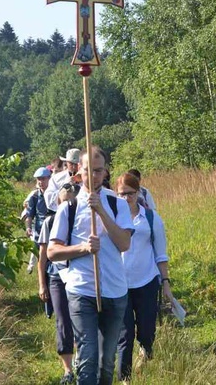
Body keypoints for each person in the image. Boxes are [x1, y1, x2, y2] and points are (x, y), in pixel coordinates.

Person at [48, 146, 134, 385]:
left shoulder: (118, 205)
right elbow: (53, 252)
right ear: (79, 172)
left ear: (105, 172)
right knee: (88, 359)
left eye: (98, 171)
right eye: (88, 170)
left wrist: (102, 212)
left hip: (115, 292)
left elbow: (124, 243)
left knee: (106, 364)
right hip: (81, 290)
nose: (93, 175)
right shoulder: (69, 207)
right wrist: (83, 249)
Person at [114, 172, 172, 382]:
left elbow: (161, 252)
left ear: (138, 193)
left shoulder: (151, 218)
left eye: (129, 194)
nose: (125, 199)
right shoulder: (111, 219)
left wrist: (165, 283)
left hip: (147, 281)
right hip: (119, 285)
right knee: (125, 335)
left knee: (147, 330)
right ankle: (124, 379)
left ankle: (146, 349)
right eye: (121, 194)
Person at [37, 185, 79, 385]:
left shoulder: (82, 221)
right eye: (63, 201)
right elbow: (43, 258)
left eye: (71, 201)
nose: (67, 205)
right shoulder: (49, 222)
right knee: (63, 320)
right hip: (56, 277)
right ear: (57, 203)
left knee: (80, 318)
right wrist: (42, 284)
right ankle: (68, 370)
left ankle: (82, 360)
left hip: (78, 275)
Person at [24, 167, 51, 273]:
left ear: (49, 179)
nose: (41, 182)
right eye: (39, 179)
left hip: (52, 228)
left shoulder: (55, 194)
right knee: (40, 257)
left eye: (43, 179)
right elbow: (30, 214)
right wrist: (28, 228)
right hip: (39, 230)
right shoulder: (35, 196)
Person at [45, 148, 82, 214]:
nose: (73, 167)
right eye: (71, 163)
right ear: (66, 163)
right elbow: (48, 198)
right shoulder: (56, 178)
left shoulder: (88, 178)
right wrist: (66, 186)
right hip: (62, 213)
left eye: (76, 164)